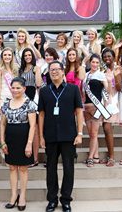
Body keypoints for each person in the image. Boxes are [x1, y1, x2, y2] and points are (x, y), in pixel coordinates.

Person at [38, 61, 84, 212]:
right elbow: (42, 115)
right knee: (50, 169)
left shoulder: (72, 89)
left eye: (57, 69)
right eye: (51, 70)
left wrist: (80, 133)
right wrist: (41, 136)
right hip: (50, 135)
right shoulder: (44, 91)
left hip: (69, 135)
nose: (54, 72)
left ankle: (66, 200)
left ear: (63, 71)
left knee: (68, 168)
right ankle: (52, 200)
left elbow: (79, 112)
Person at [0, 77, 37, 211]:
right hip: (10, 139)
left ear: (24, 89)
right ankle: (13, 195)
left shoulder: (30, 104)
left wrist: (29, 144)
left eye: (18, 88)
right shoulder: (6, 103)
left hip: (24, 139)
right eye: (13, 88)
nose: (15, 90)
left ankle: (22, 196)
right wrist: (2, 141)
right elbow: (3, 124)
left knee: (22, 168)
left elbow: (33, 126)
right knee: (11, 168)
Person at [82, 54, 110, 168]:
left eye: (97, 63)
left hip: (96, 107)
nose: (94, 64)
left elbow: (107, 90)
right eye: (93, 62)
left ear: (99, 64)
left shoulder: (101, 75)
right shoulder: (86, 75)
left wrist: (108, 80)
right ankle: (96, 156)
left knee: (94, 134)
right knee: (91, 134)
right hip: (86, 107)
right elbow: (83, 92)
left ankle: (90, 158)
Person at [100, 49, 119, 167]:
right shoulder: (102, 70)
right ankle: (109, 155)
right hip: (104, 101)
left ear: (113, 57)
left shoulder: (117, 69)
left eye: (109, 56)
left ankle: (112, 157)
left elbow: (119, 86)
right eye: (105, 57)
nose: (107, 58)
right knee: (105, 127)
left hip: (114, 101)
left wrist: (115, 77)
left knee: (107, 127)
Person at [0, 47, 18, 112]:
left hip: (14, 99)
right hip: (4, 99)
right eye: (5, 55)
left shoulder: (15, 70)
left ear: (12, 57)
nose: (7, 57)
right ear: (2, 57)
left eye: (9, 55)